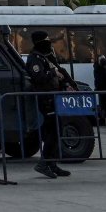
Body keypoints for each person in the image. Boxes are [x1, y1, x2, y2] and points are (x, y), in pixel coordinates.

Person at [25, 30, 72, 180]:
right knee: (53, 131)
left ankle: (51, 163)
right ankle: (44, 162)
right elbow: (38, 77)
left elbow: (59, 72)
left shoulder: (47, 57)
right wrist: (53, 73)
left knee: (56, 130)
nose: (49, 43)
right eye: (46, 40)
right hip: (46, 99)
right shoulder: (34, 59)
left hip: (54, 97)